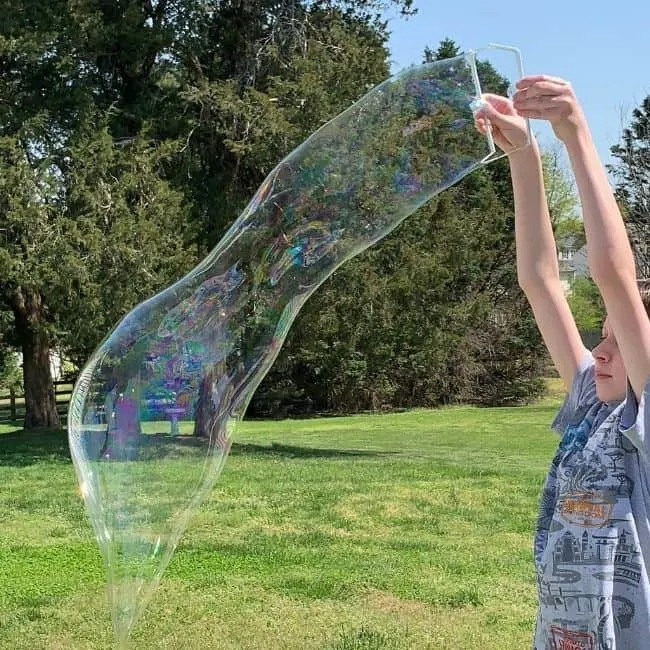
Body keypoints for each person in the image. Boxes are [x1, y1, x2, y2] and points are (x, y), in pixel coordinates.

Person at [475, 77, 650, 649]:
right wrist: (523, 157)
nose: (600, 350)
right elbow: (539, 280)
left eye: (619, 341)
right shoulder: (590, 405)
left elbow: (612, 272)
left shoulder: (642, 427)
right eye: (605, 336)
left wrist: (574, 135)